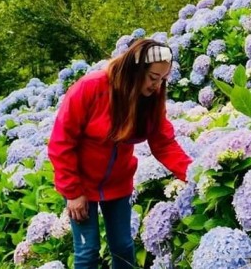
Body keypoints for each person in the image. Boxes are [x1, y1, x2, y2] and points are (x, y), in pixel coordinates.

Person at [48, 39, 192, 269]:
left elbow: (163, 143)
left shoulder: (151, 99)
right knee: (88, 251)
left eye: (163, 80)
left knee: (124, 248)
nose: (157, 86)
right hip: (80, 184)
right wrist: (73, 192)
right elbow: (61, 142)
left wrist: (195, 174)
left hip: (118, 184)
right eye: (153, 77)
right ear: (135, 70)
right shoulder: (91, 87)